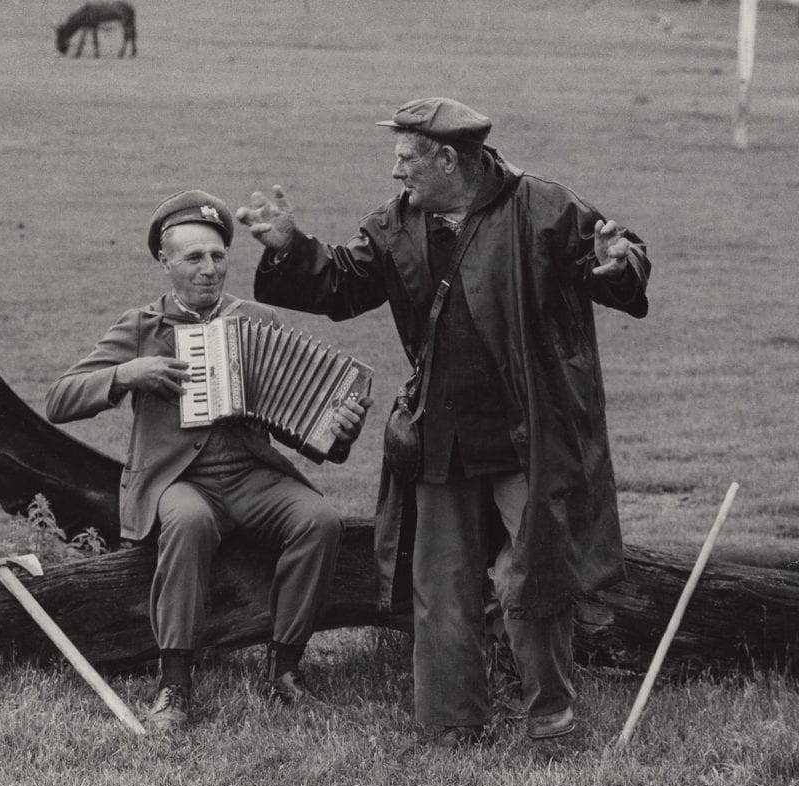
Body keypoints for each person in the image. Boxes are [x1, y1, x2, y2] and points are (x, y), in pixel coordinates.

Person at [236, 98, 651, 745]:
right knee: (442, 586)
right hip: (442, 436)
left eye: (407, 159)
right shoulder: (396, 224)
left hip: (529, 436)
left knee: (536, 575)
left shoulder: (542, 206)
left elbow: (620, 257)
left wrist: (616, 264)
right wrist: (290, 248)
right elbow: (343, 283)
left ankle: (551, 713)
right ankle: (453, 721)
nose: (396, 171)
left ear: (448, 159)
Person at [45, 190, 371, 731]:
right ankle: (175, 684)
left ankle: (286, 669)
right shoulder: (141, 327)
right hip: (177, 480)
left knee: (320, 522)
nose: (208, 269)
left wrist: (340, 433)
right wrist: (127, 375)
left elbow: (304, 423)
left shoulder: (255, 319)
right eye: (193, 258)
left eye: (218, 256)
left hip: (251, 475)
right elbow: (59, 398)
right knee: (190, 521)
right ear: (165, 263)